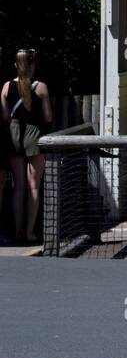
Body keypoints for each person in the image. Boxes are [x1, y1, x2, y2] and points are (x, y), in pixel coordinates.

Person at [0, 49, 52, 243]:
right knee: (33, 187)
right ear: (33, 65)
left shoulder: (6, 87)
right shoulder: (41, 88)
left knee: (18, 187)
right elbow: (47, 117)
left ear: (16, 65)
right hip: (35, 135)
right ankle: (30, 232)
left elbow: (5, 116)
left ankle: (18, 231)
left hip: (14, 136)